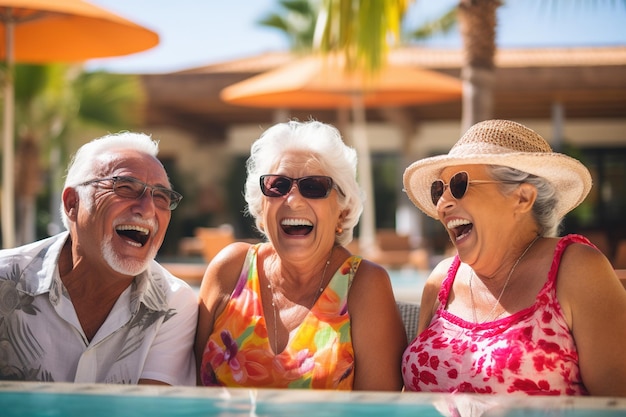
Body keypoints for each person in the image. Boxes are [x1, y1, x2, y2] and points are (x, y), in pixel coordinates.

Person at [401, 119, 626, 396]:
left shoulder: (576, 269)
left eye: (459, 185)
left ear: (522, 198)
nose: (441, 204)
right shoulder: (441, 279)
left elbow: (617, 405)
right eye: (439, 189)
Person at [195, 120, 406, 390]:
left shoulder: (365, 285)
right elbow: (189, 391)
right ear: (262, 208)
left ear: (342, 211)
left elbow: (378, 411)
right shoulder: (230, 269)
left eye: (314, 186)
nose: (292, 200)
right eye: (277, 185)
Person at [0, 132, 197, 385]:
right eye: (125, 187)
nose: (147, 209)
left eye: (160, 197)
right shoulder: (5, 279)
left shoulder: (175, 303)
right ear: (73, 203)